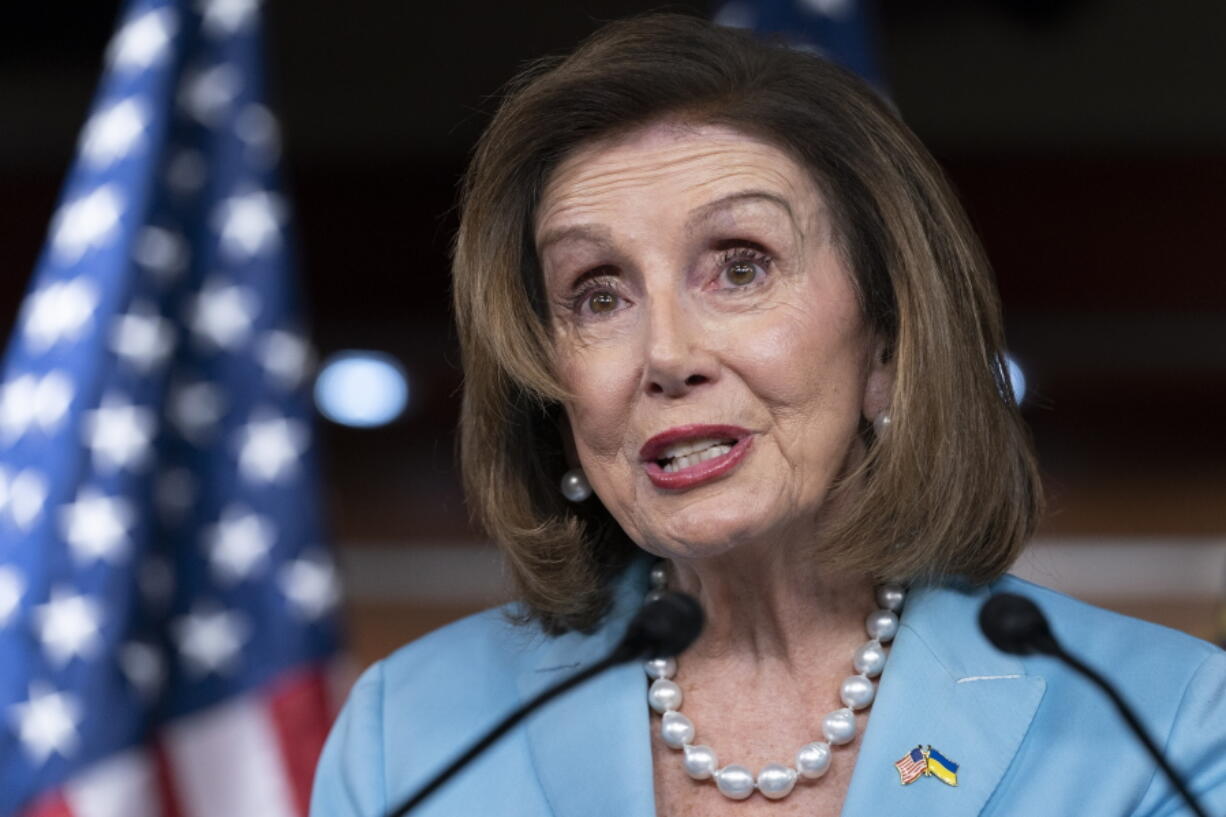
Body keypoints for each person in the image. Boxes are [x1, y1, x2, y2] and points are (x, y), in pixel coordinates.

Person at [310, 14, 1226, 817]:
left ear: (888, 343)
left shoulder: (1161, 719)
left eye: (740, 266)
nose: (666, 354)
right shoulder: (412, 732)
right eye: (596, 295)